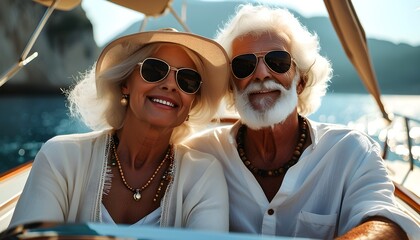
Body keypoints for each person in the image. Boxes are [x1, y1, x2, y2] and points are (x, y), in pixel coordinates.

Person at [184, 4, 420, 239]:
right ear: (231, 87)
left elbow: (386, 224)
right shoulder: (200, 152)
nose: (261, 73)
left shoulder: (350, 151)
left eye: (278, 61)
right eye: (244, 65)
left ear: (301, 81)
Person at [8, 29, 230, 231]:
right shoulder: (60, 158)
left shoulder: (204, 175)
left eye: (187, 80)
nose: (171, 85)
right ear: (125, 83)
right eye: (155, 70)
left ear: (192, 102)